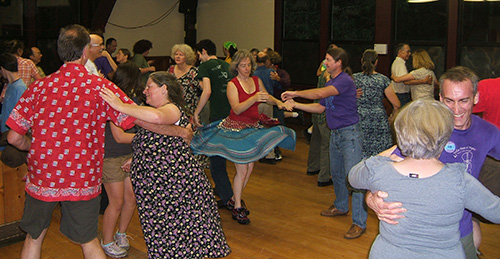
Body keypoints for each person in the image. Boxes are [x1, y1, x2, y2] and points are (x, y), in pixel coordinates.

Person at [6, 24, 137, 259]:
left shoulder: (38, 87)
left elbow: (14, 137)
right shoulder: (101, 87)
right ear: (85, 51)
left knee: (34, 237)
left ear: (59, 51)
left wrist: (32, 147)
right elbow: (131, 119)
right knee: (88, 241)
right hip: (82, 176)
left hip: (43, 174)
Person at [366, 66, 500, 259]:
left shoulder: (488, 132)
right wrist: (371, 198)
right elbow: (377, 168)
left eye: (463, 100)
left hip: (460, 230)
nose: (456, 110)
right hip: (415, 234)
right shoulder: (426, 130)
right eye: (449, 101)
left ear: (476, 98)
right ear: (440, 98)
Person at [99, 71, 231, 258]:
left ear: (164, 89)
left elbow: (158, 119)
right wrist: (137, 158)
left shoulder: (172, 109)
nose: (145, 91)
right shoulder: (153, 113)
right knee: (167, 237)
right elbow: (153, 139)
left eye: (149, 87)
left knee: (178, 237)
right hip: (163, 190)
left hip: (176, 190)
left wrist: (120, 105)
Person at [191, 50, 296, 224]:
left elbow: (266, 96)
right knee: (242, 170)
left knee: (249, 169)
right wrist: (254, 98)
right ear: (236, 67)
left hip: (252, 128)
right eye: (243, 65)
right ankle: (238, 206)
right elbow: (237, 109)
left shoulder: (256, 80)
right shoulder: (233, 84)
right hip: (236, 130)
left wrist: (278, 102)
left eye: (248, 65)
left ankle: (234, 199)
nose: (246, 68)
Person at [282, 47, 367, 239]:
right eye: (325, 59)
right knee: (336, 173)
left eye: (328, 60)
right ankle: (340, 206)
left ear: (339, 63)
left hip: (350, 135)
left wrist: (295, 93)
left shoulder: (344, 80)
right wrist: (295, 105)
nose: (325, 63)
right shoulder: (333, 80)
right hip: (336, 134)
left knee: (354, 179)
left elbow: (320, 94)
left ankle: (359, 223)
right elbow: (320, 108)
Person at [100, 62, 142, 258]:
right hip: (111, 156)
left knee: (131, 198)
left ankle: (121, 234)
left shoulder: (131, 100)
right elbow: (119, 136)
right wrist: (149, 140)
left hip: (129, 155)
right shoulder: (112, 100)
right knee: (116, 202)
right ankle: (107, 240)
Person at [193, 39, 233, 209]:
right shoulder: (226, 65)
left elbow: (207, 91)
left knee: (216, 160)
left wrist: (196, 112)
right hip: (232, 115)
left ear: (203, 51)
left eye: (198, 53)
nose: (197, 57)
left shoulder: (205, 67)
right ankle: (224, 192)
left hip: (218, 117)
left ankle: (228, 197)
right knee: (222, 156)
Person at [354, 49, 400, 158]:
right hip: (378, 120)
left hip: (359, 118)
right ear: (376, 62)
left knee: (360, 151)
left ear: (361, 61)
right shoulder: (382, 79)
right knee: (380, 154)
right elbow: (396, 104)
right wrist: (392, 117)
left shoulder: (354, 79)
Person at [0, 53, 27, 154]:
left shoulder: (19, 88)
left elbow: (22, 117)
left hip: (12, 138)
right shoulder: (10, 86)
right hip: (5, 135)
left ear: (3, 69)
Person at [168, 43, 201, 116]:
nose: (178, 57)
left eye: (181, 55)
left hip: (189, 108)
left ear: (187, 57)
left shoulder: (193, 71)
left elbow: (201, 90)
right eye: (176, 54)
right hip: (173, 107)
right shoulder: (171, 70)